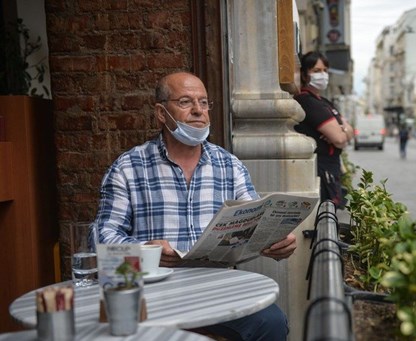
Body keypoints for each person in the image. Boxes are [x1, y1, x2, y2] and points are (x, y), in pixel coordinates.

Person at [95, 71, 293, 340]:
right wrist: (144, 253)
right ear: (161, 113)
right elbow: (101, 240)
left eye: (204, 102)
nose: (198, 111)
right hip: (154, 292)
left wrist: (276, 240)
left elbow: (254, 219)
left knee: (271, 322)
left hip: (218, 288)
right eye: (186, 102)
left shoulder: (229, 165)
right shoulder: (128, 168)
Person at [293, 51, 353, 207]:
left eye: (325, 70)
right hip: (321, 170)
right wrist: (342, 132)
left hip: (331, 168)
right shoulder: (307, 101)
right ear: (305, 75)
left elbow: (348, 132)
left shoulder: (323, 101)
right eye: (316, 71)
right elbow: (339, 139)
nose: (323, 75)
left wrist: (343, 130)